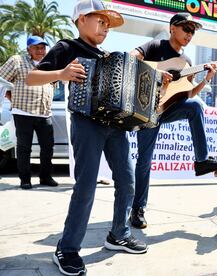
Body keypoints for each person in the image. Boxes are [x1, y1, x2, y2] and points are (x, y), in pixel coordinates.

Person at [26, 1, 147, 275]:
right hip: (86, 123)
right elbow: (31, 77)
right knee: (86, 187)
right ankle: (67, 249)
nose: (105, 27)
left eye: (108, 24)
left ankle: (118, 234)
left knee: (127, 180)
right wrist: (61, 73)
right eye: (100, 21)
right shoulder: (67, 47)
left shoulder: (106, 55)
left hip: (115, 126)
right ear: (81, 19)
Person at [129, 12, 217, 229]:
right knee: (144, 162)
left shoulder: (187, 62)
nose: (189, 34)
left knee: (194, 106)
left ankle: (202, 160)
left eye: (192, 32)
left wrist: (206, 80)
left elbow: (189, 93)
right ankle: (137, 209)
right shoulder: (155, 46)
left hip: (168, 109)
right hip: (147, 111)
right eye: (186, 29)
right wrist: (156, 75)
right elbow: (130, 58)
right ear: (172, 28)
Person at [0, 35, 57, 189]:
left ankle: (45, 177)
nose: (41, 50)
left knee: (48, 148)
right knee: (24, 148)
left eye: (43, 47)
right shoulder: (17, 61)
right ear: (28, 49)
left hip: (45, 113)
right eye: (37, 47)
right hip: (23, 113)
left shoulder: (49, 64)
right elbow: (1, 80)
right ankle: (25, 179)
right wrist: (11, 98)